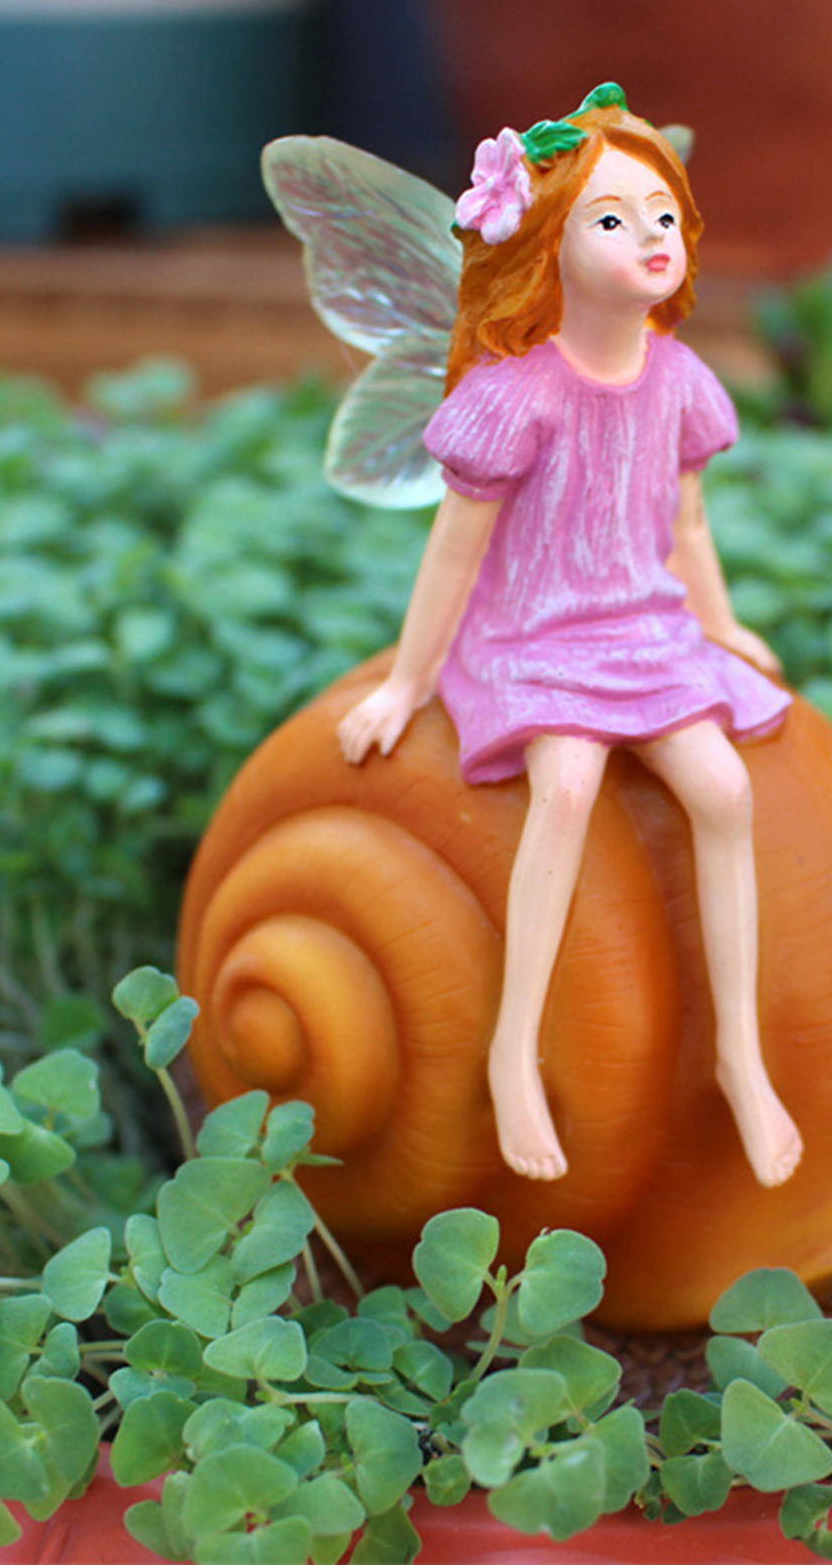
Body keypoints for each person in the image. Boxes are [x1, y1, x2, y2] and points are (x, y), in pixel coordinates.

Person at [335, 86, 802, 1190]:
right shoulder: (519, 396)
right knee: (567, 784)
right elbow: (454, 553)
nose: (648, 237)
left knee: (725, 790)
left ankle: (739, 1055)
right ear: (549, 243)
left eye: (662, 215)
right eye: (611, 218)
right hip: (533, 633)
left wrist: (722, 624)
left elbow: (688, 525)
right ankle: (513, 1051)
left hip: (643, 627)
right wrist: (407, 682)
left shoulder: (678, 380)